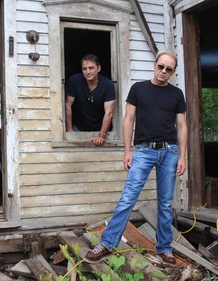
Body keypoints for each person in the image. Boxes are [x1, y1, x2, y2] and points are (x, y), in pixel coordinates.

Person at [84, 50, 188, 266]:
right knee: (128, 198)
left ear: (173, 72)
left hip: (169, 152)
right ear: (155, 65)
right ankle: (107, 243)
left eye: (169, 69)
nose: (163, 72)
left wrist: (183, 157)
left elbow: (182, 126)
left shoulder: (177, 94)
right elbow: (128, 120)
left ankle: (165, 248)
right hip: (143, 151)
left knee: (166, 203)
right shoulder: (138, 89)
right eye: (161, 67)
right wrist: (127, 151)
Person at [65, 54, 116, 146]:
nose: (87, 72)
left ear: (98, 68)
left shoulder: (108, 85)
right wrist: (69, 130)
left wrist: (101, 135)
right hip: (78, 127)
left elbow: (109, 112)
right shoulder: (74, 81)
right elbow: (68, 105)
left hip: (101, 128)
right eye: (84, 69)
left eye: (91, 68)